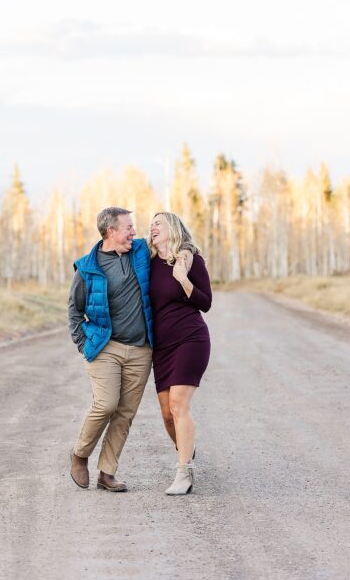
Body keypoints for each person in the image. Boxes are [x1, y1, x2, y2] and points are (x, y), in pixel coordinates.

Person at [67, 207, 154, 492]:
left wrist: (188, 254)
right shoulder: (88, 268)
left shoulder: (140, 252)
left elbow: (173, 243)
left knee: (125, 413)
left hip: (141, 349)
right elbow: (74, 311)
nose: (134, 232)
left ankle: (107, 472)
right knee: (106, 404)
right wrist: (83, 343)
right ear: (110, 232)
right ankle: (80, 455)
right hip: (106, 348)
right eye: (128, 227)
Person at [147, 212, 212, 495]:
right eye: (151, 224)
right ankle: (186, 447)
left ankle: (184, 471)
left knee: (178, 405)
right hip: (161, 346)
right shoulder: (147, 264)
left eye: (158, 222)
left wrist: (183, 279)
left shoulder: (190, 260)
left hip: (190, 338)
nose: (153, 227)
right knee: (166, 413)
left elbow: (206, 302)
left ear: (174, 228)